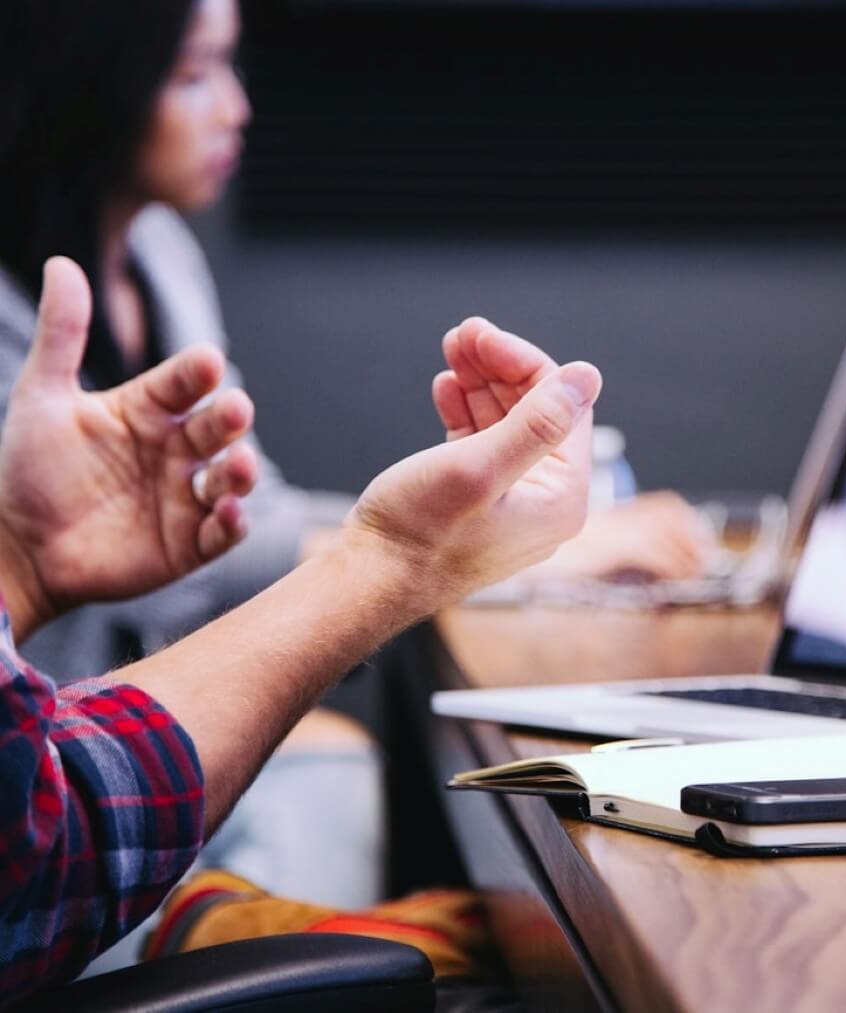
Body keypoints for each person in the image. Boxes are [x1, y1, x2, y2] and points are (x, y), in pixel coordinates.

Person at [0, 255, 602, 1006]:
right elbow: (36, 843)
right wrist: (394, 558)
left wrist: (21, 565)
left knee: (337, 762)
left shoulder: (161, 251)